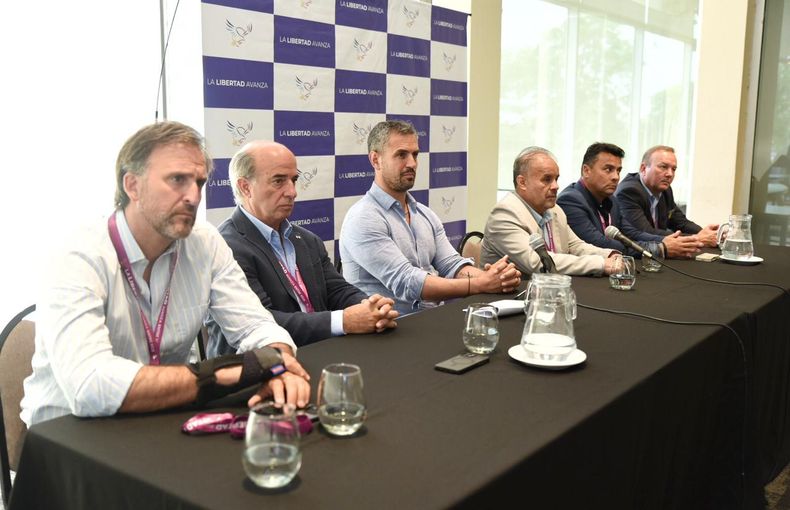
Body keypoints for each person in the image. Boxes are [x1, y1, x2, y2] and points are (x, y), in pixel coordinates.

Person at [21, 121, 310, 427]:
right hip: (67, 435)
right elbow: (90, 386)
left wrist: (278, 365)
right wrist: (232, 372)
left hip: (159, 416)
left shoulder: (205, 242)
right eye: (177, 180)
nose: (193, 197)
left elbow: (256, 325)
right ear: (132, 185)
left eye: (198, 182)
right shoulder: (77, 256)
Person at [207, 140, 398, 355]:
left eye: (294, 180)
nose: (292, 192)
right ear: (245, 187)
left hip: (320, 352)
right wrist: (343, 321)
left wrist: (371, 307)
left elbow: (337, 290)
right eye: (279, 181)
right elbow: (259, 322)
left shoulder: (306, 239)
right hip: (260, 367)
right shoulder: (226, 247)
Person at [339, 120, 521, 315]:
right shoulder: (363, 218)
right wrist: (481, 284)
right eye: (401, 155)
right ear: (376, 160)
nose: (412, 163)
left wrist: (495, 278)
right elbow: (407, 282)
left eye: (415, 154)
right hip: (382, 332)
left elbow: (452, 265)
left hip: (427, 322)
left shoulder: (425, 214)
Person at [480, 146, 622, 276]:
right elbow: (538, 263)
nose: (555, 186)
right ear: (522, 182)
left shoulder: (554, 210)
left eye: (556, 178)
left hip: (548, 291)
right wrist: (601, 264)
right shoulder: (504, 214)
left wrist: (609, 255)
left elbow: (575, 246)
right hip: (510, 298)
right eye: (547, 179)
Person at [557, 142, 703, 258]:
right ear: (586, 171)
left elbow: (631, 233)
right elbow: (600, 243)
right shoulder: (570, 200)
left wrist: (664, 241)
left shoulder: (611, 200)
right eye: (608, 169)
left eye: (618, 170)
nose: (615, 177)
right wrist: (659, 249)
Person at [615, 145, 719, 248]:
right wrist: (697, 238)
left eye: (673, 169)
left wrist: (707, 233)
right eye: (663, 167)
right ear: (643, 169)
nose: (670, 174)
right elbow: (644, 232)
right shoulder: (629, 191)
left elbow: (680, 222)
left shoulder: (665, 190)